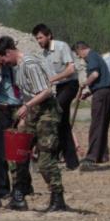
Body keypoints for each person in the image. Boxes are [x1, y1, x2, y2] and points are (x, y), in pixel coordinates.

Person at [0, 35, 67, 212]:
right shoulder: (18, 67)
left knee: (45, 160)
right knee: (16, 152)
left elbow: (46, 91)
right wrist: (24, 118)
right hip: (33, 112)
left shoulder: (29, 64)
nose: (3, 63)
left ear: (8, 52)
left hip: (46, 113)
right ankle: (18, 195)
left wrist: (27, 107)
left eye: (3, 59)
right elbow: (27, 93)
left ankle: (58, 198)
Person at [0, 44, 27, 201]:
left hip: (17, 107)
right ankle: (2, 188)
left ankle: (23, 185)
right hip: (0, 109)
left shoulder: (14, 67)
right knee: (0, 150)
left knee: (20, 148)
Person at [33, 23, 80, 170]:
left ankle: (49, 155)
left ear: (49, 35)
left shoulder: (61, 46)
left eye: (40, 37)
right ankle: (72, 163)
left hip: (70, 85)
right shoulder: (44, 54)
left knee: (53, 113)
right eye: (37, 39)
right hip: (59, 87)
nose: (39, 41)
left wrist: (52, 79)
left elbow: (71, 69)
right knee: (63, 123)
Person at [74, 41, 110, 168]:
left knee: (96, 125)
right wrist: (88, 93)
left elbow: (95, 74)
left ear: (80, 50)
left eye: (78, 54)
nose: (79, 57)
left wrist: (85, 83)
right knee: (102, 125)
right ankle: (102, 155)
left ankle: (91, 157)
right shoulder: (96, 56)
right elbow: (101, 79)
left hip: (101, 95)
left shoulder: (91, 56)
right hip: (105, 92)